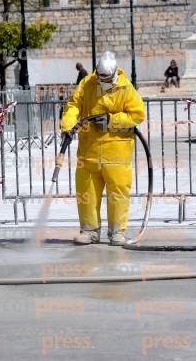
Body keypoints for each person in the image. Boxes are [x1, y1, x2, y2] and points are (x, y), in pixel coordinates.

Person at [61, 51, 145, 246]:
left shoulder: (125, 88)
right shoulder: (87, 84)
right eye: (101, 78)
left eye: (107, 78)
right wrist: (67, 125)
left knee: (117, 192)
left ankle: (118, 232)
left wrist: (111, 120)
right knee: (87, 192)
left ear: (115, 73)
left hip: (116, 151)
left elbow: (137, 115)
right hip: (89, 151)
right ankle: (89, 231)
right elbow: (73, 105)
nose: (103, 81)